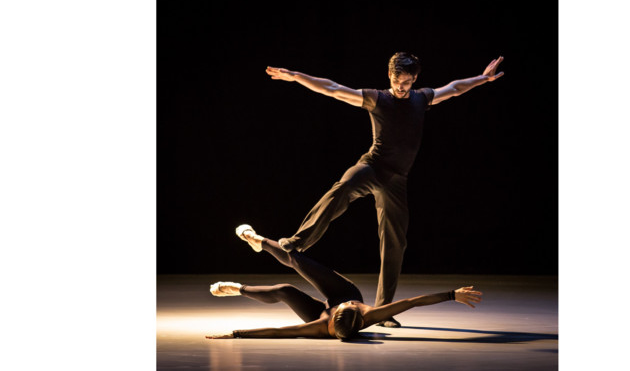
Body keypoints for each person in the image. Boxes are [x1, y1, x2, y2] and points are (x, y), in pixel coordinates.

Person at [263, 53, 503, 327]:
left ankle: (384, 310)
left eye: (408, 82)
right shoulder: (377, 98)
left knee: (395, 243)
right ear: (390, 75)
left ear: (415, 79)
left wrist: (483, 78)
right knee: (343, 188)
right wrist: (295, 76)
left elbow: (455, 88)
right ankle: (298, 240)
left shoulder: (421, 98)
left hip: (396, 180)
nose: (402, 87)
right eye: (398, 81)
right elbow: (332, 88)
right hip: (371, 167)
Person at [205, 225, 483, 340]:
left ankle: (238, 289)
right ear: (360, 316)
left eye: (345, 307)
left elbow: (280, 331)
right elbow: (412, 302)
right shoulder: (369, 313)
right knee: (297, 260)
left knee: (285, 290)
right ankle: (260, 242)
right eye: (351, 306)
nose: (348, 304)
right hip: (340, 289)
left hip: (317, 314)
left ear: (332, 320)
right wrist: (452, 294)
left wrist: (236, 334)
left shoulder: (318, 326)